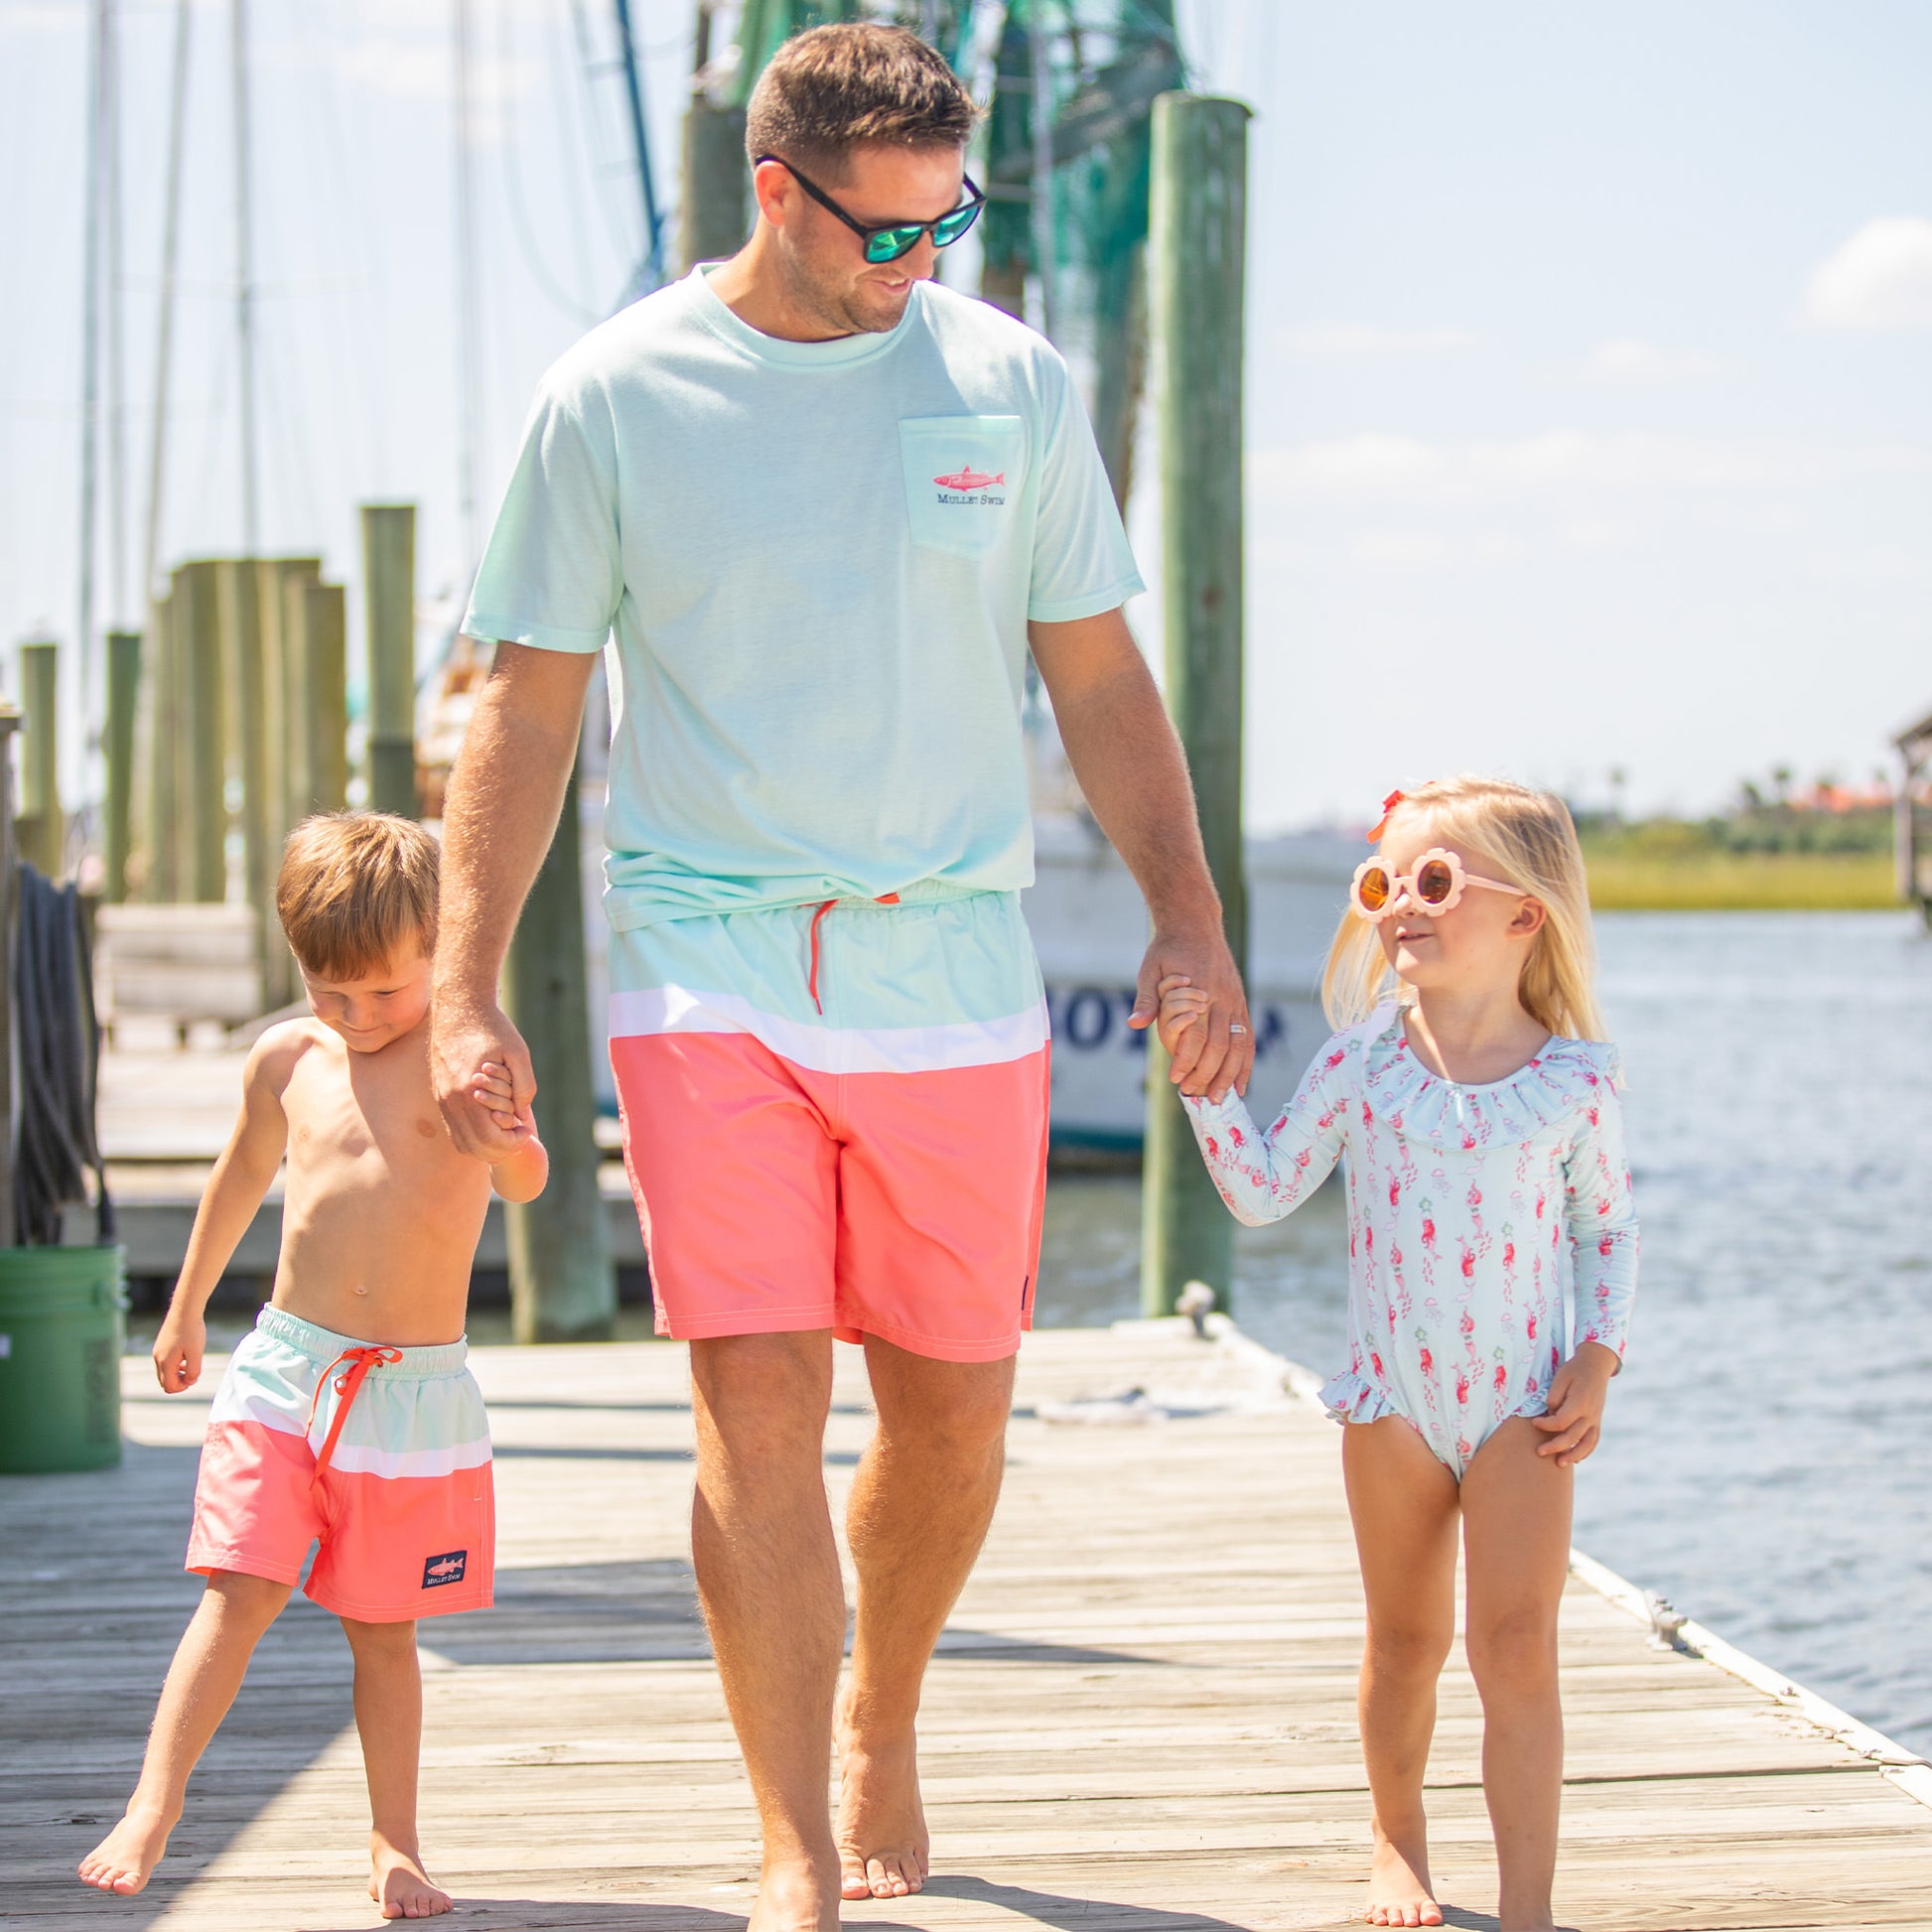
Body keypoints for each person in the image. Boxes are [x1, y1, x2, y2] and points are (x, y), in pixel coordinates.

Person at [431, 22, 1250, 1931]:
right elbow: (527, 710)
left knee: (954, 1411)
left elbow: (1098, 673)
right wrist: (467, 984)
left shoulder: (1007, 384)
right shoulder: (613, 394)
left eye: (943, 224)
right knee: (759, 1394)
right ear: (773, 193)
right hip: (707, 957)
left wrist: (1191, 916)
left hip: (949, 962)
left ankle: (885, 1702)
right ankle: (793, 1835)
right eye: (882, 231)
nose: (917, 263)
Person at [1158, 776, 1638, 1932]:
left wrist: (1598, 1353)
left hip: (1525, 1405)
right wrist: (1201, 1085)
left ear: (1523, 913)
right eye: (1382, 884)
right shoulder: (1361, 1063)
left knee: (1514, 1644)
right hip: (1392, 1408)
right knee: (1405, 1640)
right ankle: (1395, 1839)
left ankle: (1526, 1905)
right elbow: (1263, 1190)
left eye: (1431, 880)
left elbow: (1605, 1227)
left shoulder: (1571, 1081)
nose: (1399, 906)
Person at [78, 813, 548, 1920]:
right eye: (329, 990)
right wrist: (186, 1307)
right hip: (285, 1371)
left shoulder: (465, 1061)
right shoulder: (288, 1059)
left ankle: (394, 1841)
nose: (357, 1015)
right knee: (237, 1588)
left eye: (384, 990)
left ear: (440, 947)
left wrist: (504, 1138)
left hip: (409, 1393)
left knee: (383, 1632)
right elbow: (240, 1175)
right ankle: (154, 1802)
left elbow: (527, 1180)